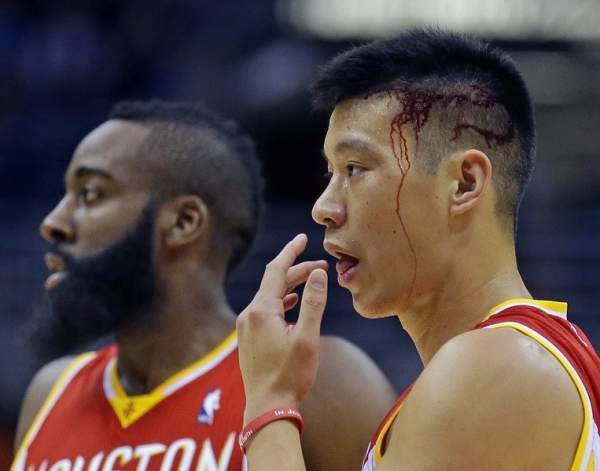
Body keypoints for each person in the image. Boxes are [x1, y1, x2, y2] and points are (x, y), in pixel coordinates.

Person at [235, 29, 600, 470]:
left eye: (355, 168)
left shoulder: (496, 367)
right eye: (331, 172)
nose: (323, 208)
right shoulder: (513, 358)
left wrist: (270, 400)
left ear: (464, 183)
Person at [12, 101, 396, 471]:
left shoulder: (320, 379)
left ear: (183, 222)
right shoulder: (50, 394)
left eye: (90, 194)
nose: (53, 222)